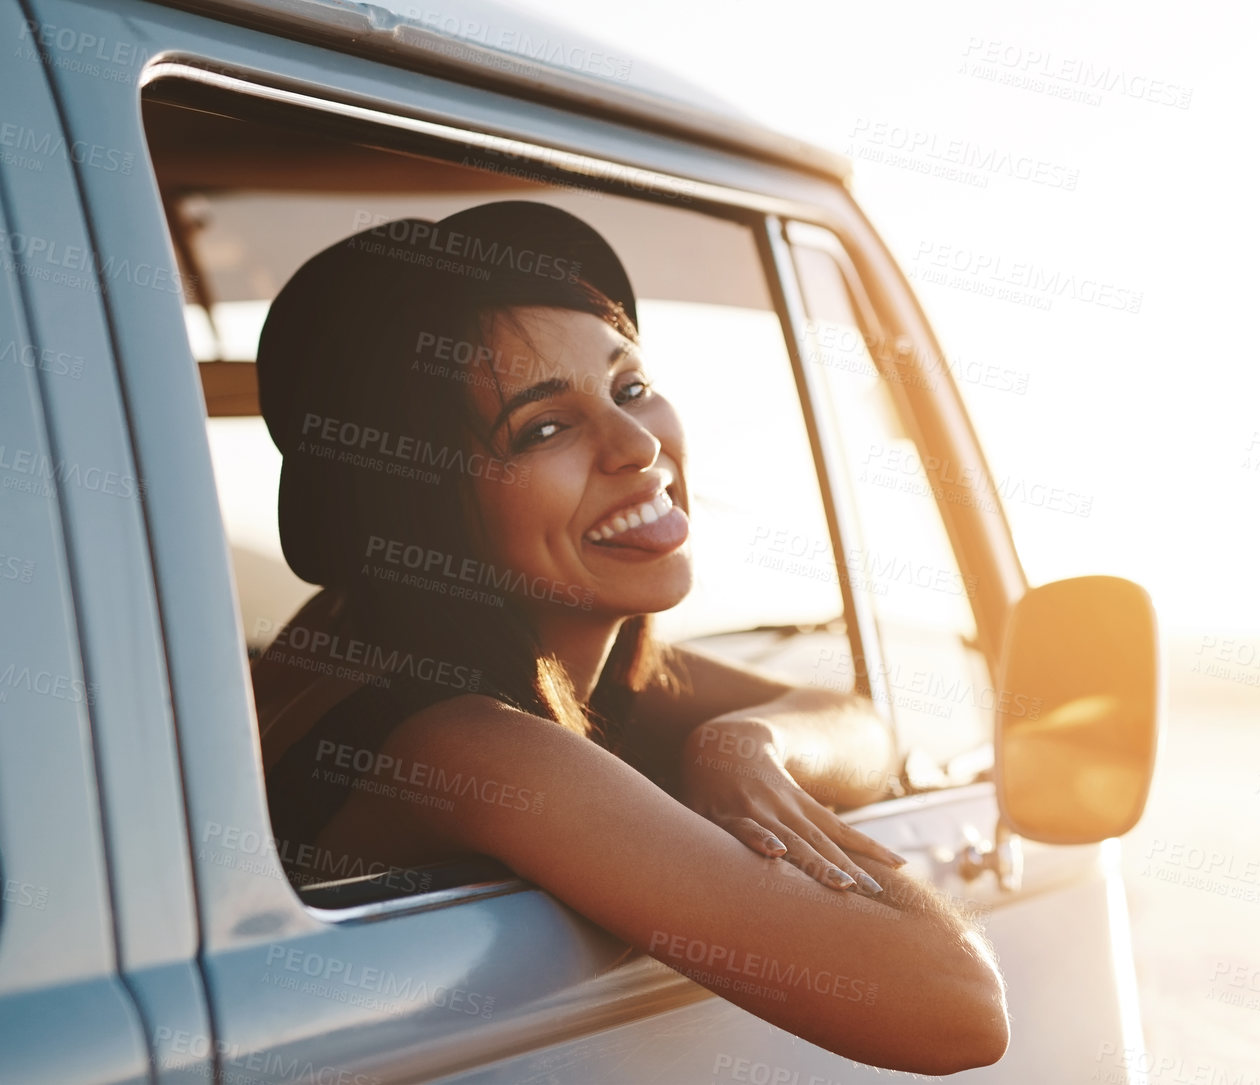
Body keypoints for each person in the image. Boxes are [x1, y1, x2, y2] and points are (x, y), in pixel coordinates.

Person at [251, 200, 1008, 1074]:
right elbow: (959, 1006)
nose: (638, 447)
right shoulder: (468, 746)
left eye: (630, 388)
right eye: (544, 427)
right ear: (418, 502)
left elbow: (859, 725)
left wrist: (743, 747)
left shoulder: (402, 643)